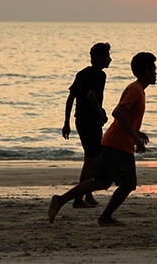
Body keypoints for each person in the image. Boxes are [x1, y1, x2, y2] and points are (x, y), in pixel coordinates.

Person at [50, 52, 157, 226]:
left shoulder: (138, 90)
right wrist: (134, 138)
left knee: (102, 182)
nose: (156, 73)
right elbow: (118, 113)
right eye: (154, 69)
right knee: (128, 184)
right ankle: (105, 217)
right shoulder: (135, 90)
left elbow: (125, 117)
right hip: (118, 145)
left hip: (112, 142)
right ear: (146, 72)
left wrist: (137, 133)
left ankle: (60, 200)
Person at [62, 42, 112, 208]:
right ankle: (78, 198)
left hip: (80, 120)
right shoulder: (99, 75)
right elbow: (92, 96)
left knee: (91, 157)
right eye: (107, 56)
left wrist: (66, 123)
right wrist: (101, 115)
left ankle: (87, 195)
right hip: (90, 121)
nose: (110, 59)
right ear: (98, 58)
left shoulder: (82, 73)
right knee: (91, 159)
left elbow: (71, 98)